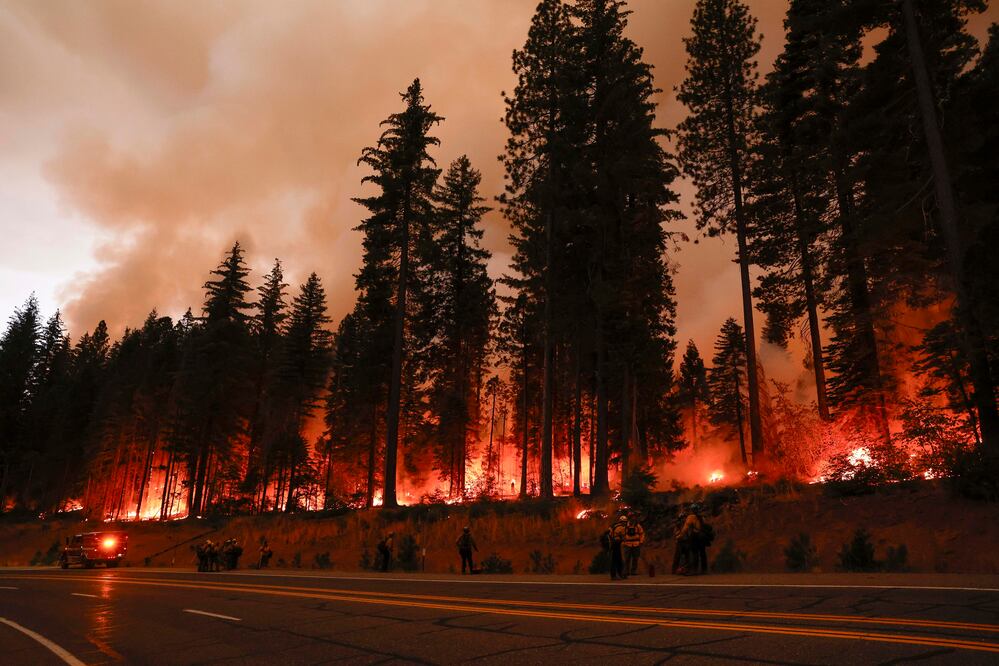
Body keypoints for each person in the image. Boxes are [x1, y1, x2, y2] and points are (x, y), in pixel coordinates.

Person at [610, 515, 628, 580]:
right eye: (624, 522)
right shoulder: (622, 528)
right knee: (616, 560)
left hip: (614, 544)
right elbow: (623, 537)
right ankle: (615, 575)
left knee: (617, 559)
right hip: (617, 544)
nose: (625, 523)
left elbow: (611, 534)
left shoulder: (615, 526)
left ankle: (619, 574)